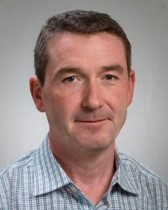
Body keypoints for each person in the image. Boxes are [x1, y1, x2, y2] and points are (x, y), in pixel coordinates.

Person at [0, 10, 167, 210]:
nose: (93, 101)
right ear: (38, 94)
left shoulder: (159, 195)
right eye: (71, 79)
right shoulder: (5, 197)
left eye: (109, 77)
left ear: (129, 88)